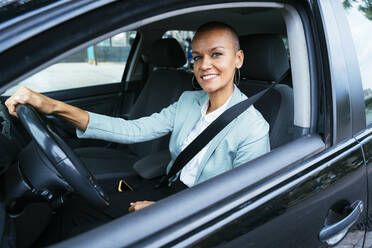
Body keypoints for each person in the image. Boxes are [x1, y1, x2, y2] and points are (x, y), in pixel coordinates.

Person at [5, 21, 270, 238]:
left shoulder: (253, 127)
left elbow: (242, 203)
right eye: (197, 57)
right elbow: (132, 130)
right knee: (75, 207)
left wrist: (165, 212)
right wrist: (51, 106)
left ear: (238, 59)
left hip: (198, 212)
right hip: (167, 189)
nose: (204, 65)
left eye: (216, 54)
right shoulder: (189, 101)